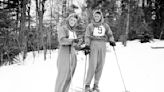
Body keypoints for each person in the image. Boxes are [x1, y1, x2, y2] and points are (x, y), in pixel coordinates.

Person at [84, 10, 116, 92]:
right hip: (93, 44)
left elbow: (110, 33)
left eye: (98, 16)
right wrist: (87, 45)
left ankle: (96, 84)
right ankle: (87, 84)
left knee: (100, 65)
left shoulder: (105, 25)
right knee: (92, 65)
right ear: (93, 17)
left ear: (101, 17)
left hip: (102, 45)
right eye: (95, 16)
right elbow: (87, 36)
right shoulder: (90, 26)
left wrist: (111, 40)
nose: (96, 18)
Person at [55, 13, 81, 92]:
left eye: (74, 20)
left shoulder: (73, 31)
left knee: (69, 76)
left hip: (72, 54)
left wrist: (83, 47)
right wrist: (72, 41)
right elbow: (62, 40)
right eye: (71, 19)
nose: (72, 21)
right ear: (68, 19)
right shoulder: (63, 28)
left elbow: (75, 45)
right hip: (64, 54)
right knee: (62, 76)